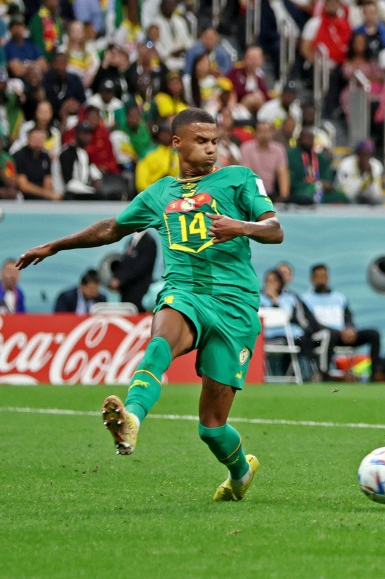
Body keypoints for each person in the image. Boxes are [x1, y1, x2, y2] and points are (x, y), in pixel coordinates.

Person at [16, 108, 284, 501]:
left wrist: (241, 226)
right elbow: (111, 228)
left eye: (215, 141)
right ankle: (131, 419)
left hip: (234, 306)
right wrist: (57, 244)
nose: (211, 149)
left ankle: (241, 473)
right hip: (184, 293)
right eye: (202, 141)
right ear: (177, 143)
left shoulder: (239, 179)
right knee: (160, 342)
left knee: (211, 429)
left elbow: (274, 229)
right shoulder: (160, 193)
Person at [300, 264, 383, 380]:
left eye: (324, 276)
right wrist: (339, 332)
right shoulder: (305, 299)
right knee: (329, 335)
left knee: (374, 334)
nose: (321, 280)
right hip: (321, 337)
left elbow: (348, 318)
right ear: (312, 279)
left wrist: (350, 329)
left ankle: (374, 375)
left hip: (343, 336)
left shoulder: (339, 298)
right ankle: (324, 375)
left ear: (328, 278)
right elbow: (312, 325)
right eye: (318, 277)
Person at [109, 230, 158, 312]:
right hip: (126, 292)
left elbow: (141, 268)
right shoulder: (131, 241)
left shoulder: (149, 242)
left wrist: (120, 281)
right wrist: (116, 278)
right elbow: (125, 262)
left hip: (140, 293)